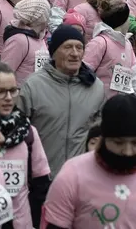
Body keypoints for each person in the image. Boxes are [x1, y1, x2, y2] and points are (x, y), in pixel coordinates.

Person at [42, 94, 136, 229]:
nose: (128, 151)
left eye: (135, 143)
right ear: (103, 137)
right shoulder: (73, 174)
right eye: (118, 143)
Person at [19, 24, 105, 175]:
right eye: (68, 47)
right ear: (53, 53)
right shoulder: (33, 85)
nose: (75, 53)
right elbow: (20, 133)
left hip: (81, 177)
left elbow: (101, 133)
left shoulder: (95, 87)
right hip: (42, 177)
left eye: (79, 48)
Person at [0, 60, 51, 228]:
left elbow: (41, 185)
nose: (9, 98)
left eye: (13, 91)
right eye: (1, 92)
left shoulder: (28, 132)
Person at [0, 0, 51, 84]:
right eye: (48, 14)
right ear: (41, 18)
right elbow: (4, 73)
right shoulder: (19, 41)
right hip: (20, 94)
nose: (49, 18)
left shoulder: (40, 37)